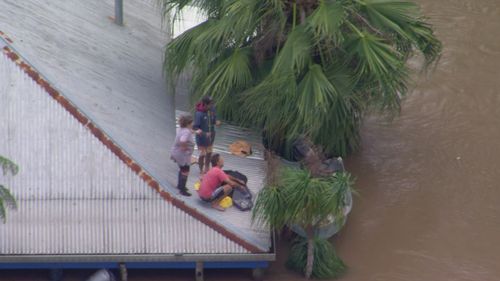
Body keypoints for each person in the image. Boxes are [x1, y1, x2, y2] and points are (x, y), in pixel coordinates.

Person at [170, 114, 200, 196]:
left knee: (182, 169)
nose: (193, 124)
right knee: (186, 171)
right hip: (182, 154)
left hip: (177, 152)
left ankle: (180, 185)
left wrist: (196, 132)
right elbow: (183, 140)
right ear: (188, 123)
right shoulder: (186, 132)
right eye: (192, 123)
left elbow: (189, 131)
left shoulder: (182, 129)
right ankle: (182, 190)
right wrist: (184, 148)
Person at [193, 96, 220, 175]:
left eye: (212, 104)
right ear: (204, 104)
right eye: (210, 104)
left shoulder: (212, 109)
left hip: (211, 137)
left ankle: (207, 167)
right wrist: (204, 133)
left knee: (209, 153)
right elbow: (195, 127)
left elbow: (214, 120)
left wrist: (216, 122)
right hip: (201, 138)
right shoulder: (199, 114)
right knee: (202, 154)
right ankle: (201, 169)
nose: (212, 106)